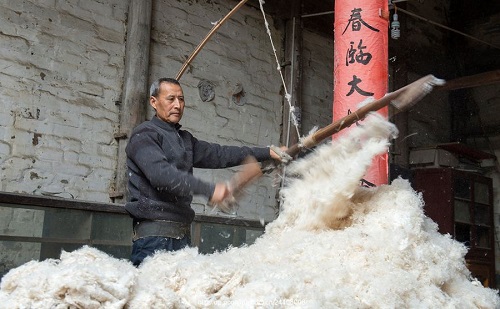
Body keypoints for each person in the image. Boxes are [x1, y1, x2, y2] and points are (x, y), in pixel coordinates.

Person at [125, 77, 287, 266]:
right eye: (171, 99)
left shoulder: (184, 139)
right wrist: (210, 190)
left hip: (182, 237)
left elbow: (220, 154)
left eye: (181, 99)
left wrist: (267, 152)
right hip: (153, 239)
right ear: (154, 102)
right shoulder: (144, 135)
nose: (177, 105)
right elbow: (161, 175)